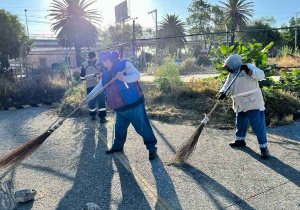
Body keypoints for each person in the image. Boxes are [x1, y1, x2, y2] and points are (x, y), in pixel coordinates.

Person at [81, 51, 158, 160]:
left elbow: (137, 75)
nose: (102, 65)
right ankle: (118, 146)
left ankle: (152, 149)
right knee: (119, 128)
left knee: (142, 127)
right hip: (120, 107)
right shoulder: (106, 72)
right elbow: (100, 87)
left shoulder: (125, 64)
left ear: (107, 60)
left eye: (103, 63)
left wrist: (124, 78)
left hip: (133, 104)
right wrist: (87, 99)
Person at [219, 54, 270, 159]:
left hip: (253, 103)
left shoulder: (248, 67)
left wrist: (248, 71)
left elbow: (261, 75)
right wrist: (223, 92)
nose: (227, 68)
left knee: (258, 126)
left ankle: (264, 149)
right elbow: (227, 84)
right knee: (240, 123)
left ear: (233, 64)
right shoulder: (232, 73)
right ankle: (240, 140)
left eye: (228, 66)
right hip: (240, 103)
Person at [80, 51, 107, 123]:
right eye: (90, 58)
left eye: (92, 57)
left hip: (99, 85)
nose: (91, 59)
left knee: (98, 101)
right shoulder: (85, 65)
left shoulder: (99, 63)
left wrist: (100, 76)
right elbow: (82, 77)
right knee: (93, 101)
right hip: (92, 86)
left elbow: (105, 72)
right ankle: (96, 117)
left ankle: (99, 117)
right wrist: (94, 76)